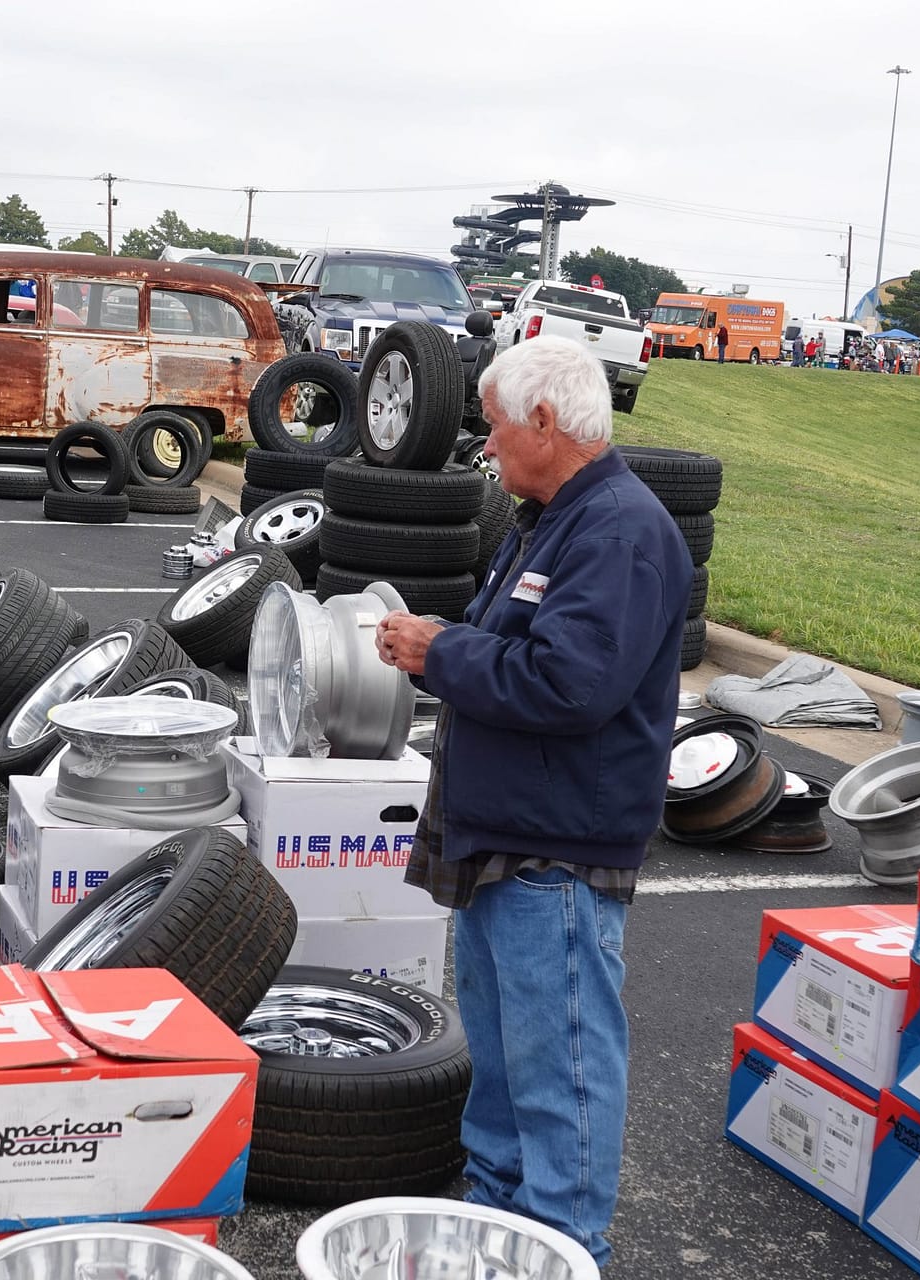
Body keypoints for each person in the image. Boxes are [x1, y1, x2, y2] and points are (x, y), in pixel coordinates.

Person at [376, 335, 691, 1268]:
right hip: (504, 839)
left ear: (547, 424)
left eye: (497, 425)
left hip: (556, 850)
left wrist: (442, 654)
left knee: (563, 1074)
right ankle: (497, 1225)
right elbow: (520, 648)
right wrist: (450, 643)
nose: (486, 445)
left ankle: (561, 1247)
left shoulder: (621, 531)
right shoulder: (551, 518)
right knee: (508, 1070)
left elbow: (571, 686)